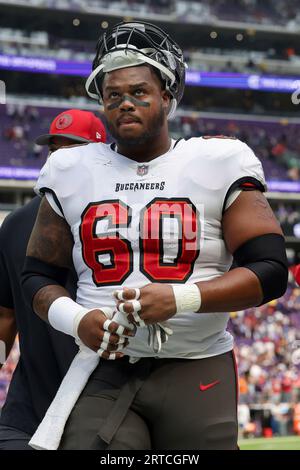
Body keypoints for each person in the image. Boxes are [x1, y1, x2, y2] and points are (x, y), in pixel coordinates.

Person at [22, 22, 288, 450]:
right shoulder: (70, 169)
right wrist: (77, 319)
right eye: (114, 95)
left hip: (197, 366)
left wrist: (181, 298)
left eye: (139, 92)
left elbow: (271, 271)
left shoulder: (218, 159)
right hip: (105, 367)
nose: (125, 103)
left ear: (167, 96)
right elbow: (35, 277)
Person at [0, 108, 106, 450]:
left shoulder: (119, 220)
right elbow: (4, 318)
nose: (59, 159)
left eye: (72, 150)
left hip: (101, 407)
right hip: (31, 409)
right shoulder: (15, 224)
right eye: (54, 150)